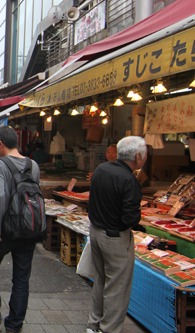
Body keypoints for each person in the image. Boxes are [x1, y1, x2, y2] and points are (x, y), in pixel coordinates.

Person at [0, 126, 40, 333]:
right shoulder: (34, 165)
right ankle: (14, 326)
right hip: (29, 229)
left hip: (5, 229)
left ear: (0, 144)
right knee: (21, 278)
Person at [86, 136, 147, 333]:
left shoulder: (101, 170)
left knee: (101, 281)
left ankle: (94, 324)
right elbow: (130, 218)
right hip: (115, 238)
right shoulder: (129, 179)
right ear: (138, 156)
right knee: (117, 287)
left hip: (95, 232)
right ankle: (108, 329)